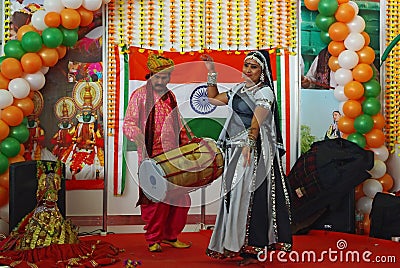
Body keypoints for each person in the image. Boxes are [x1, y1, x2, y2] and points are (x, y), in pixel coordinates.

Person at [201, 51, 292, 266]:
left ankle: (253, 247)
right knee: (233, 196)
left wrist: (250, 143)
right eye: (246, 66)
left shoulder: (265, 92)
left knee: (249, 197)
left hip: (253, 151)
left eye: (254, 67)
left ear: (263, 72)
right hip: (235, 148)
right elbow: (213, 99)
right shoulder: (238, 89)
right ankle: (234, 244)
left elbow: (257, 118)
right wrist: (212, 72)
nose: (248, 70)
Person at [123, 53, 191, 252]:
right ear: (150, 75)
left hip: (173, 156)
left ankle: (171, 236)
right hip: (151, 157)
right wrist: (137, 136)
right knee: (156, 201)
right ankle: (153, 239)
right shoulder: (140, 96)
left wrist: (188, 144)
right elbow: (128, 123)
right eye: (157, 77)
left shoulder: (171, 96)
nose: (161, 81)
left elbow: (178, 123)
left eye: (165, 77)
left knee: (180, 199)